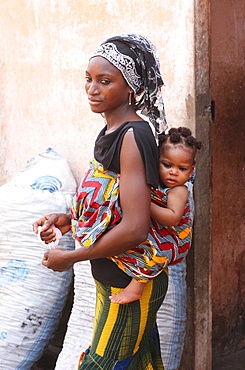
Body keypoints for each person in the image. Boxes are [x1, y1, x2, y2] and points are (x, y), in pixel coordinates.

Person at [33, 34, 168, 369]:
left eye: (105, 81)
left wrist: (73, 256)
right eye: (88, 80)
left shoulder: (133, 136)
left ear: (130, 88)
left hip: (130, 277)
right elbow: (110, 203)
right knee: (141, 364)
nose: (92, 89)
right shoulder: (109, 130)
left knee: (100, 364)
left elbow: (136, 227)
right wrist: (68, 219)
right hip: (111, 274)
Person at [109, 127, 202, 304]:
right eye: (167, 165)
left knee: (156, 253)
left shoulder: (179, 190)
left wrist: (143, 203)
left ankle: (137, 286)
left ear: (191, 171)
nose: (174, 172)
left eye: (182, 168)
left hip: (174, 237)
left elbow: (173, 217)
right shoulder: (155, 182)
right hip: (160, 230)